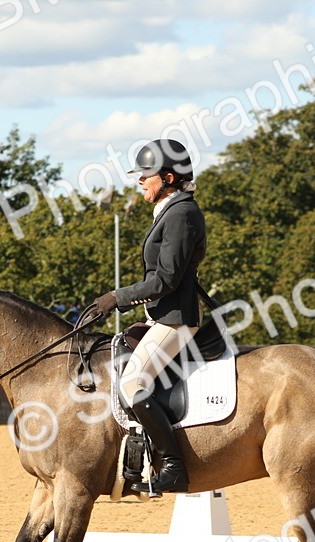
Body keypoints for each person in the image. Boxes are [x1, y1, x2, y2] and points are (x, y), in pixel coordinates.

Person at [93, 139, 206, 494]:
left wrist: (117, 297)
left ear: (169, 178)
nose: (140, 180)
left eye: (147, 175)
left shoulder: (182, 214)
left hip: (176, 319)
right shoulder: (169, 211)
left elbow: (165, 279)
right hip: (163, 316)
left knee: (131, 383)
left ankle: (174, 467)